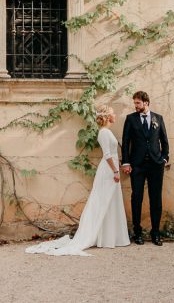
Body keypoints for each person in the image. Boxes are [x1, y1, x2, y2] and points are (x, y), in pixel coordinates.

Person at [26, 105, 131, 256]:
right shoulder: (104, 133)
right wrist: (115, 170)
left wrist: (119, 166)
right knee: (102, 202)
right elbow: (107, 155)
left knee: (111, 202)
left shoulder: (107, 132)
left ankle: (110, 238)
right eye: (113, 113)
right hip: (108, 172)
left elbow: (112, 154)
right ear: (108, 117)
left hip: (112, 170)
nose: (115, 115)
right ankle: (99, 236)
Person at [121, 90, 169, 246]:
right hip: (137, 165)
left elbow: (164, 141)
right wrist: (126, 162)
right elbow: (126, 141)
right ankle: (138, 233)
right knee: (137, 198)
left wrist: (164, 158)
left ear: (146, 103)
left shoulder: (158, 118)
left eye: (138, 103)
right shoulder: (130, 119)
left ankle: (156, 233)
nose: (135, 105)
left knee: (156, 199)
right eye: (134, 103)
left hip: (156, 165)